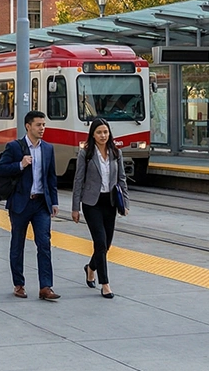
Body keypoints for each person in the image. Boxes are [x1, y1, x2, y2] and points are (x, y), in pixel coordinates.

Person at [0, 110, 60, 301]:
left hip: (41, 204)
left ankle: (46, 287)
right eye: (39, 125)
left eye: (44, 125)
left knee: (44, 244)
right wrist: (20, 165)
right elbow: (1, 169)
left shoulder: (48, 149)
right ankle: (19, 284)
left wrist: (54, 201)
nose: (42, 128)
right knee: (18, 244)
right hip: (20, 204)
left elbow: (51, 177)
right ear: (28, 126)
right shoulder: (15, 147)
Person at [71, 118, 130, 298]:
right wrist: (75, 208)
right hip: (91, 203)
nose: (103, 136)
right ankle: (105, 284)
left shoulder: (116, 152)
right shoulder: (86, 154)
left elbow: (122, 179)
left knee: (107, 244)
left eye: (105, 132)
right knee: (100, 242)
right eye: (99, 132)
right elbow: (78, 180)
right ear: (93, 135)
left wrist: (125, 203)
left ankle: (90, 267)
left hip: (110, 202)